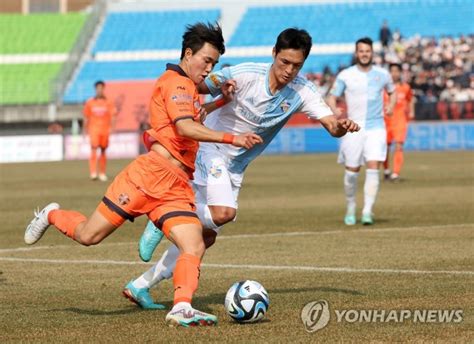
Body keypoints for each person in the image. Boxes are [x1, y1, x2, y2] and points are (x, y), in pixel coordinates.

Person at [24, 22, 263, 327]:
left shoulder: (188, 86)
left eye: (214, 64)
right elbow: (184, 127)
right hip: (147, 177)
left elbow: (194, 117)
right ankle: (51, 214)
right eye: (206, 61)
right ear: (188, 54)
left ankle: (182, 307)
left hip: (175, 185)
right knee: (88, 236)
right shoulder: (175, 83)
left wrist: (219, 101)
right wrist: (233, 138)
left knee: (195, 244)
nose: (209, 69)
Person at [123, 28, 360, 309]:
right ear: (273, 54)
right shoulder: (247, 74)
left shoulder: (302, 91)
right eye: (284, 62)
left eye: (296, 65)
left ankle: (140, 285)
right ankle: (162, 214)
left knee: (205, 237)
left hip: (235, 166)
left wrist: (341, 127)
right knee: (223, 214)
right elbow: (195, 83)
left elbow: (332, 124)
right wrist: (218, 95)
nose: (288, 70)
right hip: (210, 149)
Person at [327, 37, 396, 226]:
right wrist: (335, 109)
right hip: (353, 127)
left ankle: (367, 211)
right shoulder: (346, 75)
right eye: (361, 51)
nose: (364, 54)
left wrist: (390, 105)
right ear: (356, 53)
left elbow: (393, 91)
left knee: (374, 167)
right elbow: (332, 97)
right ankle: (350, 207)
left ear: (372, 53)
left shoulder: (383, 74)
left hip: (376, 127)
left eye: (367, 51)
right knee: (352, 170)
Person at [383, 63, 415, 181]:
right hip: (386, 121)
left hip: (400, 120)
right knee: (385, 147)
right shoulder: (383, 88)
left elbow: (410, 99)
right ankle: (386, 171)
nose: (394, 73)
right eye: (392, 71)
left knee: (399, 146)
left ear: (400, 73)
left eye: (397, 71)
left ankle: (395, 173)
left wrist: (411, 112)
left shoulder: (405, 87)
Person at [83, 81, 117, 181]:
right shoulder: (90, 102)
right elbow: (86, 117)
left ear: (103, 89)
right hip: (94, 129)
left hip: (105, 130)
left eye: (101, 88)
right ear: (95, 89)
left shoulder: (108, 102)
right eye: (98, 88)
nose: (99, 90)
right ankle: (93, 173)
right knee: (93, 149)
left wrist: (112, 128)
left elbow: (113, 116)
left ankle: (102, 173)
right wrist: (84, 130)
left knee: (103, 150)